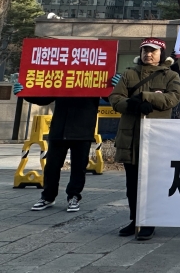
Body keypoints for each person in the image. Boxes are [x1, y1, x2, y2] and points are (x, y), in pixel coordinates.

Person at [110, 38, 180, 241]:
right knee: (132, 184)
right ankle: (135, 220)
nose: (148, 54)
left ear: (161, 54)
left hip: (156, 137)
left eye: (153, 51)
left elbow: (174, 97)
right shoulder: (129, 73)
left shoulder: (171, 75)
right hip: (130, 136)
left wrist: (146, 97)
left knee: (152, 183)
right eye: (145, 51)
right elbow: (115, 98)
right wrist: (131, 104)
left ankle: (149, 221)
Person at [15, 74, 120, 212]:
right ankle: (47, 197)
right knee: (51, 166)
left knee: (79, 167)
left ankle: (74, 196)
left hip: (83, 130)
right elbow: (45, 98)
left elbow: (109, 98)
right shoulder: (63, 76)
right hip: (59, 129)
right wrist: (24, 93)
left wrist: (114, 87)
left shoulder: (94, 76)